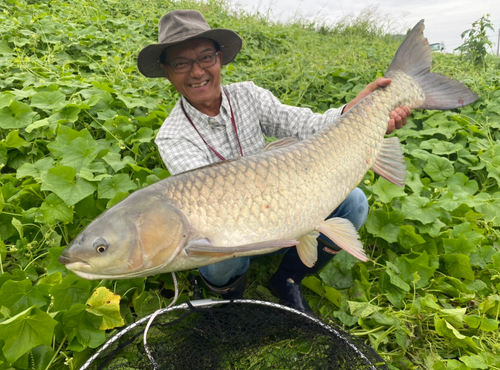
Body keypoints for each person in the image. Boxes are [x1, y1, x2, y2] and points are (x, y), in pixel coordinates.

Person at [137, 10, 410, 312]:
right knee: (216, 254)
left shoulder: (248, 96)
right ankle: (232, 298)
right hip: (232, 228)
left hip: (288, 201)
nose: (198, 72)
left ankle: (289, 278)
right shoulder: (173, 136)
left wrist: (355, 113)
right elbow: (206, 210)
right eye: (181, 63)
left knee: (355, 203)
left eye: (205, 58)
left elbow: (303, 125)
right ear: (167, 71)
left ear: (219, 58)